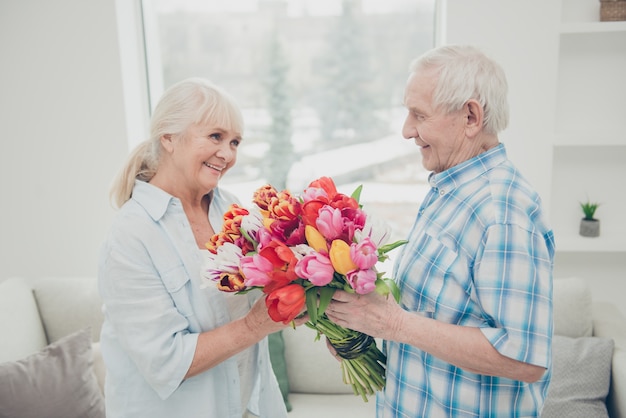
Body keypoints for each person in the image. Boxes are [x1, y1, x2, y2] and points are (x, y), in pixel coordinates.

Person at [325, 45, 555, 417]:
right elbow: (434, 320)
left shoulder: (503, 211)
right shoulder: (449, 189)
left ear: (470, 116)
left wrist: (395, 324)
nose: (406, 130)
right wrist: (362, 332)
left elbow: (524, 358)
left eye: (419, 115)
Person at [99, 78, 303, 418]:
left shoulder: (232, 209)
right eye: (215, 137)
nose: (227, 154)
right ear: (168, 137)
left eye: (235, 141)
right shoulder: (129, 237)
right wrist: (257, 325)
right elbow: (166, 361)